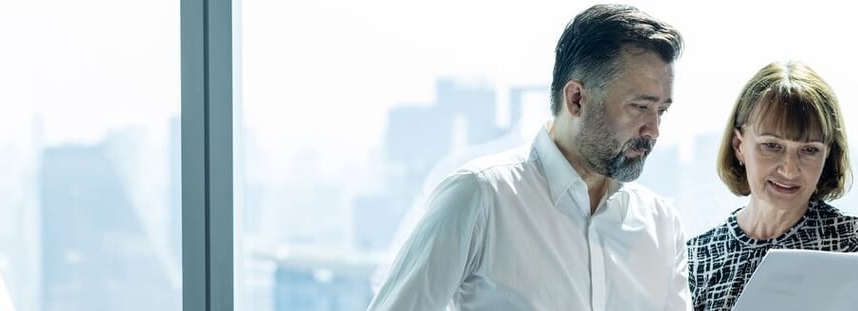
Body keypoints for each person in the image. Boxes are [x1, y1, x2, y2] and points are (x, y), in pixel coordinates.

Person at [365, 3, 688, 310]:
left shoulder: (661, 224)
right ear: (576, 99)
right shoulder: (479, 197)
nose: (653, 130)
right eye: (640, 107)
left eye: (662, 110)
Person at [687, 61, 857, 310]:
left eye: (809, 150)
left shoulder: (852, 244)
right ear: (739, 146)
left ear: (827, 155)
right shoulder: (695, 259)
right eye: (772, 146)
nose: (789, 169)